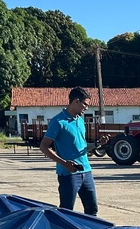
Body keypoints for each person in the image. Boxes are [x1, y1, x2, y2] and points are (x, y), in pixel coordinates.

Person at [40, 87, 98, 216]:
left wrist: (97, 144)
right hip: (68, 174)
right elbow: (44, 146)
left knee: (92, 210)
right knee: (66, 211)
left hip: (86, 171)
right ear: (76, 101)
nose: (86, 108)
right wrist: (64, 163)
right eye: (85, 104)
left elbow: (81, 147)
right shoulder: (58, 121)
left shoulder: (80, 120)